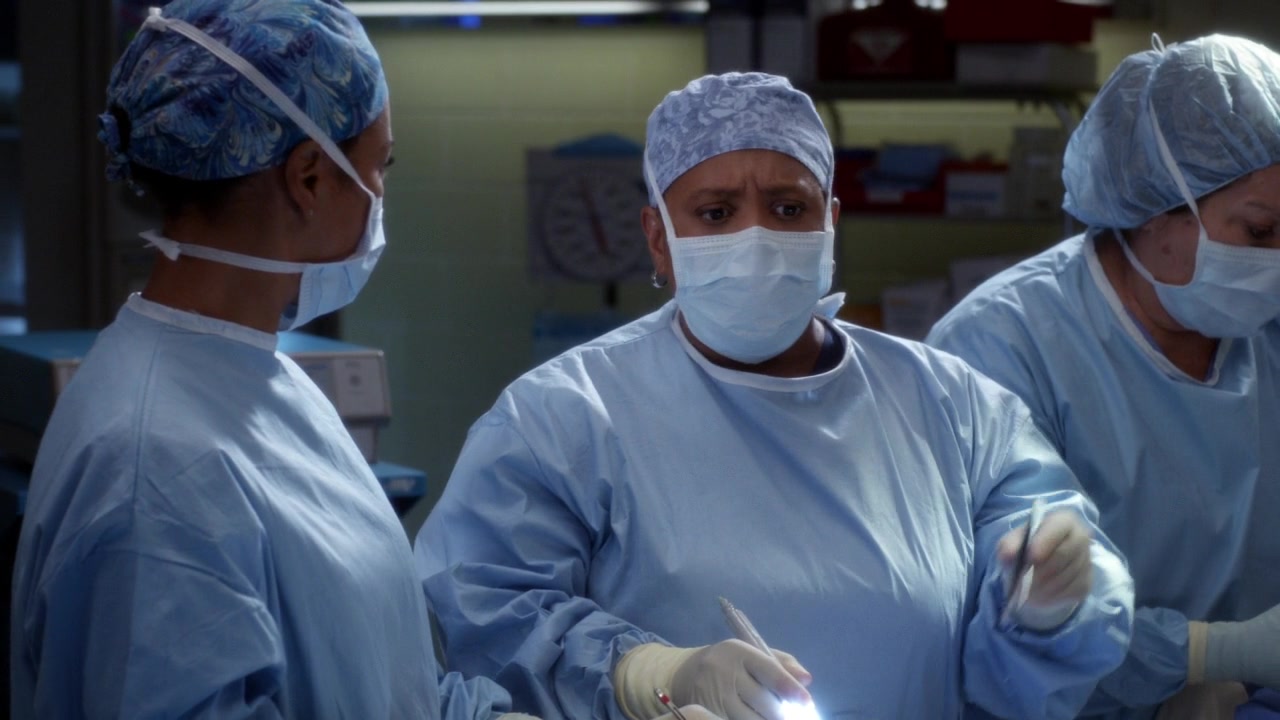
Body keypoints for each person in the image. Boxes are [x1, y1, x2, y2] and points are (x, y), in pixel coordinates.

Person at [416, 72, 1135, 720]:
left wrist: (1046, 607)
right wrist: (650, 674)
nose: (757, 238)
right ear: (659, 239)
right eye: (716, 213)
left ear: (830, 225)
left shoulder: (954, 407)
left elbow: (1043, 586)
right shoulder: (562, 419)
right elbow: (486, 618)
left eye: (789, 209)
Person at [9, 2, 563, 718]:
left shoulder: (256, 377)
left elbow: (383, 678)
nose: (380, 194)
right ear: (309, 177)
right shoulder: (152, 471)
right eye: (379, 165)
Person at [927, 34, 1280, 720]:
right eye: (1261, 232)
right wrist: (1210, 655)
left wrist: (1244, 686)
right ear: (1155, 214)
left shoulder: (1264, 331)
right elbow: (994, 623)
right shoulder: (1001, 348)